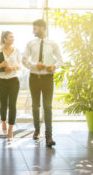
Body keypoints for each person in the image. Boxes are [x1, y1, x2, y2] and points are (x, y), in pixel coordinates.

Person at [22, 19, 63, 147]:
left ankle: (49, 136)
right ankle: (37, 130)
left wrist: (54, 66)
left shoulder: (53, 44)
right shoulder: (30, 43)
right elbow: (24, 60)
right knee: (35, 106)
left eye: (35, 29)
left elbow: (61, 60)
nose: (33, 31)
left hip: (47, 78)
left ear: (42, 28)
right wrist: (35, 65)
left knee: (48, 107)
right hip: (34, 77)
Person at [0, 31, 21, 141]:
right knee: (3, 105)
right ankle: (3, 121)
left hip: (14, 81)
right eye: (11, 37)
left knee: (12, 105)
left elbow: (19, 65)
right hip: (1, 81)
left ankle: (10, 129)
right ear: (5, 39)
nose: (13, 39)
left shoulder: (17, 50)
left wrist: (12, 67)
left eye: (13, 37)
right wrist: (2, 65)